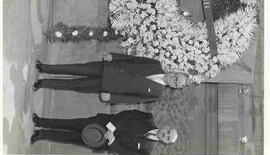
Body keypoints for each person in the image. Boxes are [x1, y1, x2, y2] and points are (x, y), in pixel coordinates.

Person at [33, 52, 187, 103]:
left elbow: (131, 100)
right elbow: (132, 59)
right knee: (75, 68)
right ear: (174, 71)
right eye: (176, 76)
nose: (174, 79)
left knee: (75, 85)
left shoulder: (156, 94)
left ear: (174, 87)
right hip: (109, 68)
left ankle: (43, 83)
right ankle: (45, 67)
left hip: (107, 87)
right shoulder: (155, 64)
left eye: (176, 82)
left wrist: (111, 97)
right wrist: (113, 56)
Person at [30, 109, 178, 154]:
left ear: (165, 142)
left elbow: (126, 153)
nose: (164, 135)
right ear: (166, 127)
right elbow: (127, 114)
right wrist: (111, 127)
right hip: (103, 123)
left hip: (103, 142)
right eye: (167, 132)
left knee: (70, 138)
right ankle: (41, 121)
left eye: (167, 138)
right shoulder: (148, 118)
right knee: (71, 123)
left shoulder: (146, 151)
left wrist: (112, 140)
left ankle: (41, 135)